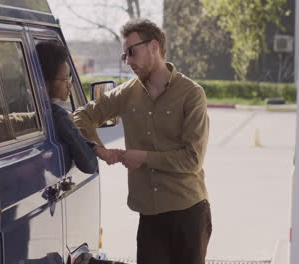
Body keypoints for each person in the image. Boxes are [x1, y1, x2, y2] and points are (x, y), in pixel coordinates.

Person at [74, 19, 211, 264]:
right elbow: (81, 116)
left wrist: (144, 158)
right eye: (124, 55)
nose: (127, 60)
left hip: (188, 212)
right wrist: (98, 149)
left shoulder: (191, 93)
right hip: (149, 215)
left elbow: (193, 158)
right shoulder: (126, 93)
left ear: (154, 46)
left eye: (131, 52)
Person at [36, 42, 98, 174]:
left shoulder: (30, 109)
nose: (69, 85)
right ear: (44, 83)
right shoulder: (58, 116)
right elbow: (90, 165)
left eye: (70, 79)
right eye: (65, 79)